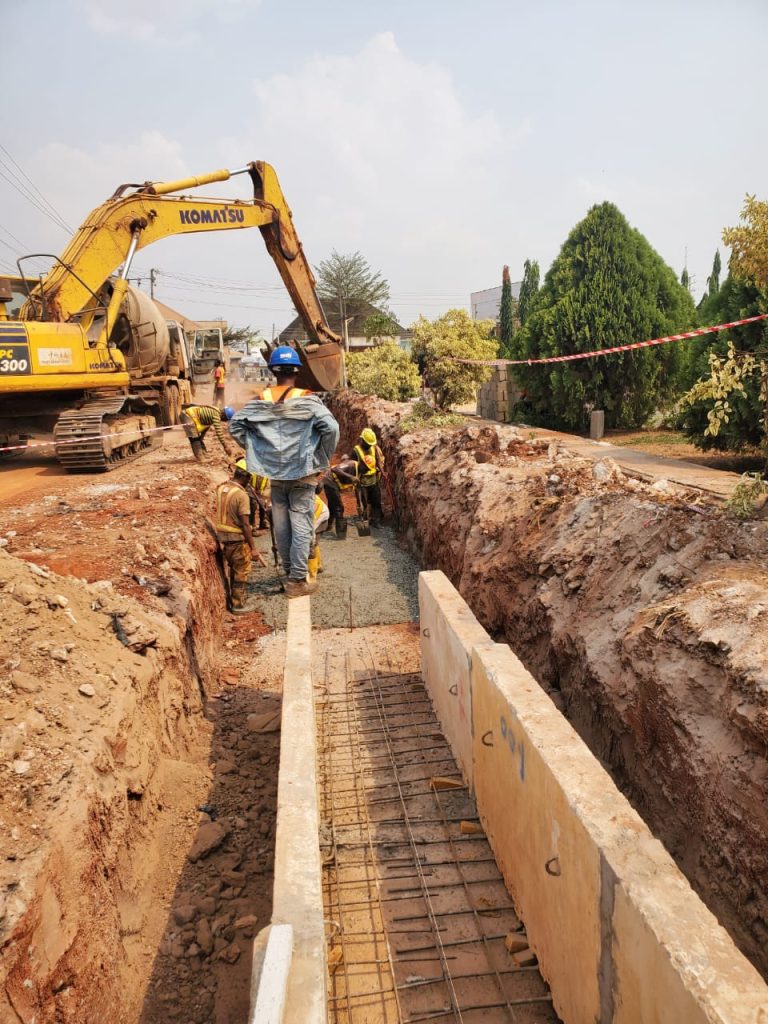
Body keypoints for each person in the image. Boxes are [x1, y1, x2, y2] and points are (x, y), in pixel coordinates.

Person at [228, 346, 339, 598]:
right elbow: (331, 429)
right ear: (298, 370)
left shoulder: (261, 400)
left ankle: (290, 574)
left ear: (272, 371)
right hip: (302, 472)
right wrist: (321, 457)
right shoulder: (308, 398)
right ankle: (297, 581)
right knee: (301, 524)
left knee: (281, 525)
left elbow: (235, 426)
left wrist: (257, 450)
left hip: (274, 473)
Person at [214, 463, 266, 613]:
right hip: (236, 537)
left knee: (234, 569)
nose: (250, 481)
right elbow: (245, 524)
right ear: (245, 476)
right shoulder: (241, 495)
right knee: (241, 571)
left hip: (223, 537)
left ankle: (235, 599)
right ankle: (238, 605)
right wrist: (253, 548)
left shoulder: (222, 488)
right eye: (249, 477)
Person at [352, 428, 385, 526]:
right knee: (364, 502)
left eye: (371, 444)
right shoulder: (355, 451)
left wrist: (382, 472)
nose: (369, 445)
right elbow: (353, 467)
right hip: (362, 481)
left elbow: (378, 460)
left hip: (373, 479)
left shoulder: (373, 447)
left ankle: (376, 521)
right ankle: (365, 518)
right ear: (362, 440)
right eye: (368, 444)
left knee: (376, 500)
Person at [321, 455, 359, 535]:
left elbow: (358, 489)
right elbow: (334, 469)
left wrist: (360, 504)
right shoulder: (351, 464)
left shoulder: (361, 473)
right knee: (339, 507)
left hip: (332, 484)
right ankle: (340, 532)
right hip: (330, 482)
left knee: (332, 506)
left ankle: (328, 526)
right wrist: (351, 476)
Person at [235, 457, 271, 531]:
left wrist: (263, 494)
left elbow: (268, 486)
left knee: (263, 506)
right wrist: (252, 489)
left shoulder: (268, 472)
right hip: (252, 490)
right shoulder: (253, 469)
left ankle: (262, 522)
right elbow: (249, 480)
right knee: (253, 505)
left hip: (262, 492)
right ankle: (252, 524)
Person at [307, 489, 329, 580]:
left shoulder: (315, 504)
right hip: (313, 518)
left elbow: (310, 526)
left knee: (310, 544)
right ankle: (318, 565)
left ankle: (312, 576)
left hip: (320, 519)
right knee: (313, 543)